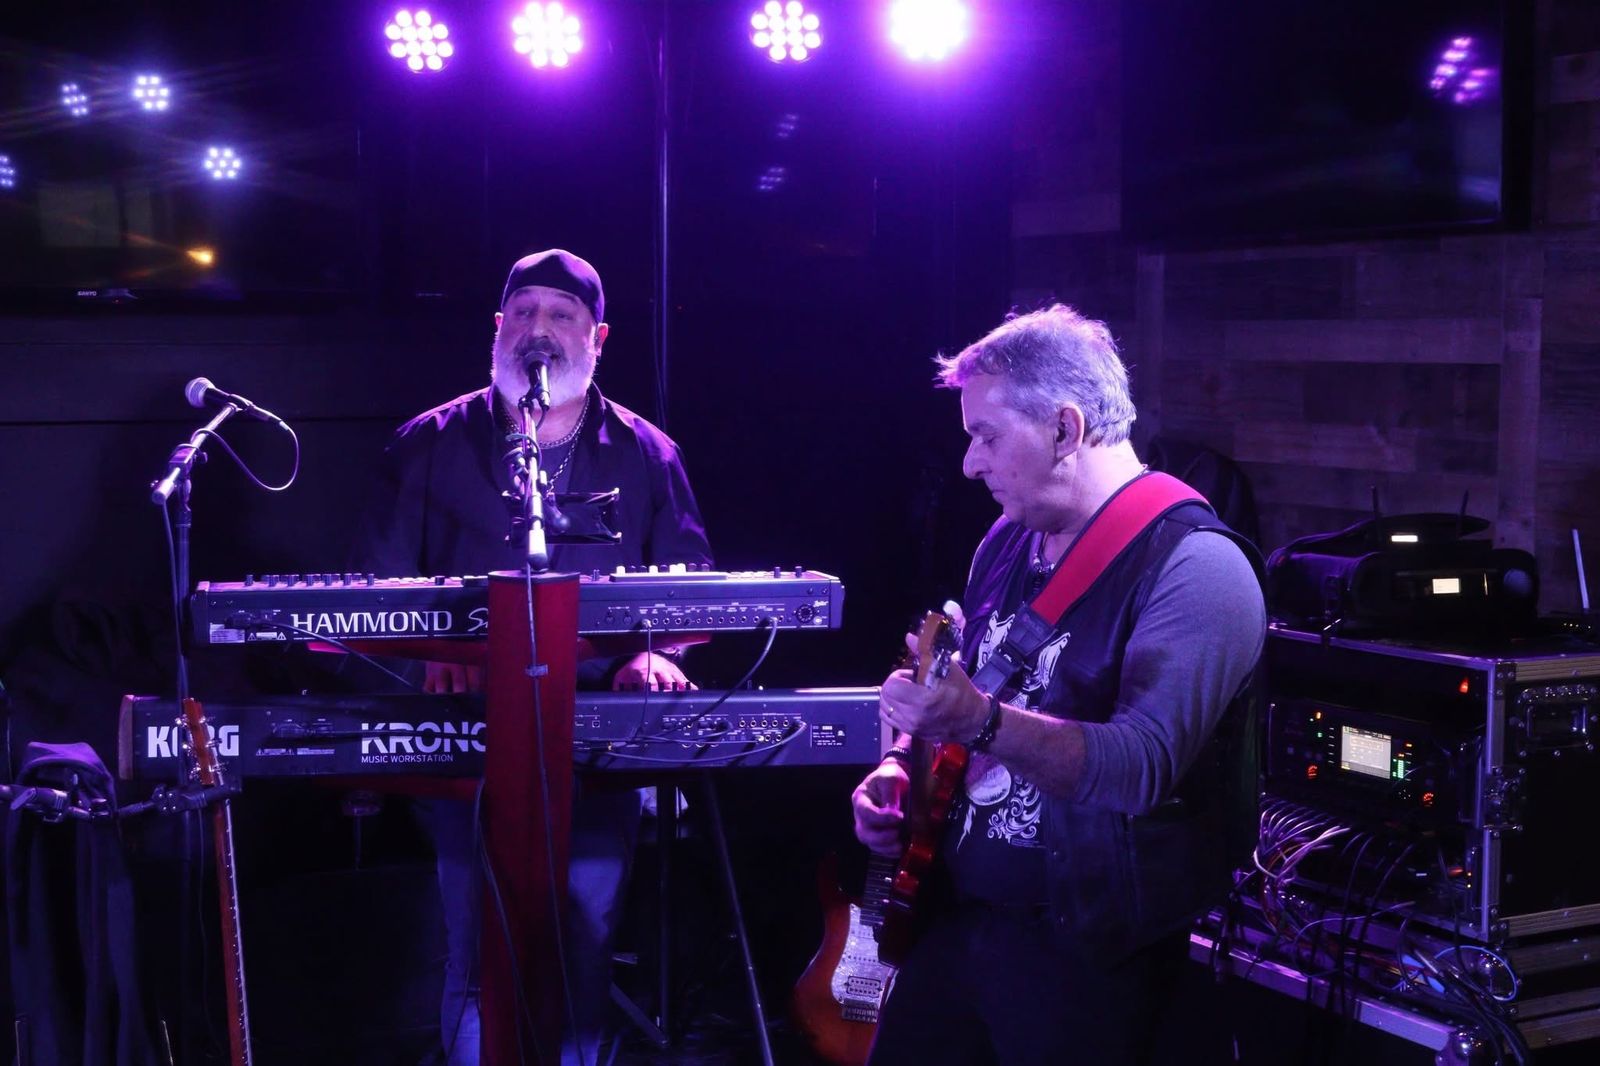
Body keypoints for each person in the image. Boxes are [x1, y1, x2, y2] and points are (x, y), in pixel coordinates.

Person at [851, 304, 1265, 1065]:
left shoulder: (1199, 566)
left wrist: (975, 721)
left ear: (1065, 429)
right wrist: (902, 762)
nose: (969, 463)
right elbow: (969, 685)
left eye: (986, 435)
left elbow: (1139, 768)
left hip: (1089, 957)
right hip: (957, 918)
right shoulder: (1007, 540)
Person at [352, 248, 713, 1066]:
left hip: (599, 744)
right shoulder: (426, 444)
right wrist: (429, 659)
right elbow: (370, 597)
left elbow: (695, 595)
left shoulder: (647, 453)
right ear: (496, 328)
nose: (538, 331)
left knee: (582, 949)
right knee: (478, 953)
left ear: (598, 337)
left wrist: (650, 655)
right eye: (523, 314)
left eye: (560, 316)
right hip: (469, 741)